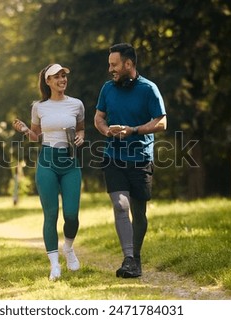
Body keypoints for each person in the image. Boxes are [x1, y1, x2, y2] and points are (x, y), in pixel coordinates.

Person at [94, 43, 167, 278]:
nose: (110, 69)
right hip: (113, 156)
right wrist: (107, 132)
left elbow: (162, 122)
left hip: (140, 158)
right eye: (109, 65)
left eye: (114, 65)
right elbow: (98, 118)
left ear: (128, 64)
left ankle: (136, 258)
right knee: (120, 205)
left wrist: (133, 130)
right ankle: (128, 259)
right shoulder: (107, 89)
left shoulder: (148, 89)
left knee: (139, 211)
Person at [13, 63, 85, 281]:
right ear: (48, 81)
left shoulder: (76, 104)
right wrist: (26, 130)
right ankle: (54, 265)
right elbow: (36, 136)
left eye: (64, 76)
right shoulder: (39, 107)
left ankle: (69, 248)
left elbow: (81, 128)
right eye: (57, 77)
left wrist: (81, 136)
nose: (62, 80)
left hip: (70, 163)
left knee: (71, 215)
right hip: (47, 162)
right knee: (51, 214)